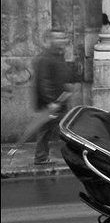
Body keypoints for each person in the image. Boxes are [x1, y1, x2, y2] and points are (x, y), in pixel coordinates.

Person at [32, 30, 73, 164]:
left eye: (62, 37)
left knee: (56, 128)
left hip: (59, 101)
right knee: (48, 130)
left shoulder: (58, 55)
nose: (61, 40)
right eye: (57, 38)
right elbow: (43, 81)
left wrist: (68, 85)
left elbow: (60, 75)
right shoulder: (46, 57)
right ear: (50, 40)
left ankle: (42, 156)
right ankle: (41, 157)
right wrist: (50, 102)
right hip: (51, 103)